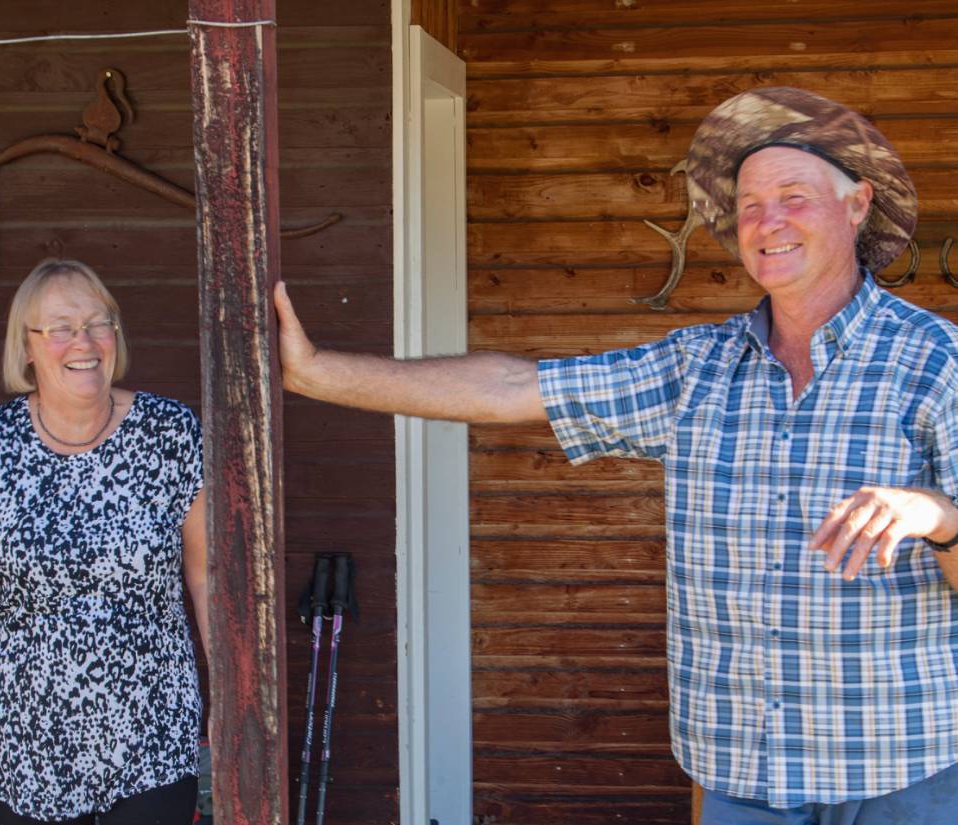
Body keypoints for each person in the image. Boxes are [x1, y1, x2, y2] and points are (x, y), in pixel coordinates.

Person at [274, 87, 958, 824]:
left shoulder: (936, 363)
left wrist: (937, 514)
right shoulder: (697, 367)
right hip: (741, 773)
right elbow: (514, 388)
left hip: (902, 768)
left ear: (856, 206)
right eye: (751, 205)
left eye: (794, 196)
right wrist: (318, 372)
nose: (768, 222)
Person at [0, 259, 207, 825]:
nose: (86, 342)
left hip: (152, 725)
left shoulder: (172, 434)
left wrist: (231, 701)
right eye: (60, 328)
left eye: (100, 324)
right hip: (25, 738)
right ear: (25, 347)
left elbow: (206, 577)